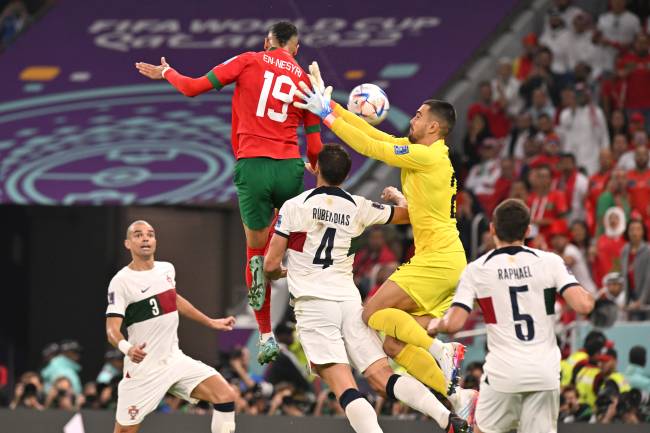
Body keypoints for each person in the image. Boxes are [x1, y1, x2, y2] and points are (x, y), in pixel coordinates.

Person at [135, 21, 323, 364]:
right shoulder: (306, 81)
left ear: (268, 41)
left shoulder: (249, 60)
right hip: (289, 167)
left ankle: (265, 334)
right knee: (295, 245)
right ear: (295, 49)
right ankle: (306, 313)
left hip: (253, 166)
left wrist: (167, 73)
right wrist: (315, 169)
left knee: (256, 248)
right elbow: (314, 146)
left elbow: (192, 88)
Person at [264, 144, 472, 433]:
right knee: (381, 377)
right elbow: (412, 215)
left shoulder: (295, 206)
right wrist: (400, 197)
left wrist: (284, 271)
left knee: (344, 385)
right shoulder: (358, 206)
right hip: (350, 302)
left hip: (313, 303)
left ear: (316, 168)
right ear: (347, 175)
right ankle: (445, 416)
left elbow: (270, 264)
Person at [294, 64, 467, 398]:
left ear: (433, 126)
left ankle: (440, 350)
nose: (411, 119)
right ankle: (457, 398)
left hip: (438, 260)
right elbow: (380, 137)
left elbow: (375, 148)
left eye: (418, 115)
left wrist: (327, 119)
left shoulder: (427, 156)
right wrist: (332, 108)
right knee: (393, 344)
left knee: (371, 313)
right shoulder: (430, 157)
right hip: (448, 261)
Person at [429, 199, 594, 433]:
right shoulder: (550, 262)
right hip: (544, 372)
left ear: (492, 229)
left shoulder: (477, 269)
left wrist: (438, 324)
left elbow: (454, 324)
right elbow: (584, 305)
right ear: (528, 230)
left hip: (503, 373)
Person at [105, 220, 237, 433]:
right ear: (127, 243)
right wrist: (127, 349)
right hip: (144, 370)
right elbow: (112, 330)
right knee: (125, 431)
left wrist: (210, 321)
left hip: (174, 360)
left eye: (150, 234)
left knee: (225, 395)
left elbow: (173, 299)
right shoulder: (121, 282)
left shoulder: (167, 269)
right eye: (138, 235)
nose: (145, 238)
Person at [620, 219, 650, 320]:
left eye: (638, 229)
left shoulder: (648, 251)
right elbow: (625, 277)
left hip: (646, 299)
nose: (634, 233)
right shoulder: (625, 250)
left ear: (643, 232)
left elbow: (648, 279)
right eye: (632, 229)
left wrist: (641, 301)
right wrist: (626, 301)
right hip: (633, 298)